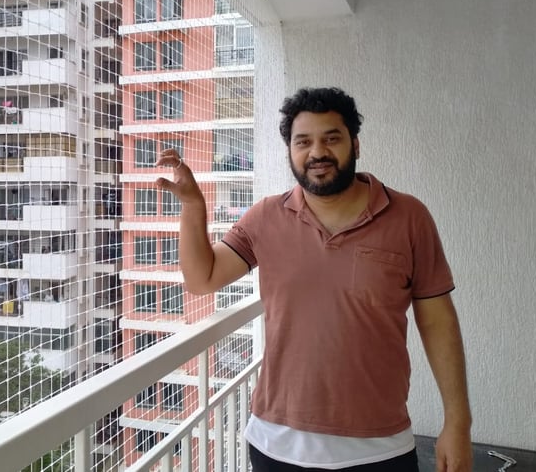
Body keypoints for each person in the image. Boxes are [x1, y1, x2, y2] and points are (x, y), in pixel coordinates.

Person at [155, 87, 472, 472]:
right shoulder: (265, 217)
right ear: (290, 152)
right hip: (277, 445)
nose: (317, 152)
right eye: (303, 142)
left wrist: (457, 422)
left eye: (331, 138)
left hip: (380, 447)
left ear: (355, 144)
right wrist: (192, 206)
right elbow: (203, 278)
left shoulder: (408, 217)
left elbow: (438, 321)